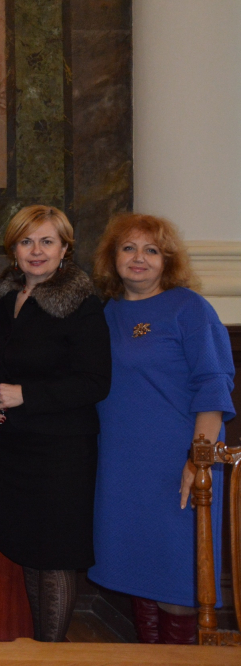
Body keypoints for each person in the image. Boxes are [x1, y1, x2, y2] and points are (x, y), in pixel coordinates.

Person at [88, 213, 235, 645]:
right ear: (112, 257)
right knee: (137, 573)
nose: (139, 258)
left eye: (151, 250)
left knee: (178, 580)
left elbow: (213, 387)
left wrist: (198, 460)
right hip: (121, 465)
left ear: (167, 261)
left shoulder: (189, 308)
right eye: (128, 248)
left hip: (179, 463)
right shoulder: (108, 312)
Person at [0, 206, 111, 642]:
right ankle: (40, 647)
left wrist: (25, 395)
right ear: (13, 249)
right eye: (26, 241)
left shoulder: (82, 302)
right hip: (14, 447)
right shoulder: (1, 298)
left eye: (46, 241)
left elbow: (96, 382)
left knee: (55, 554)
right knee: (29, 550)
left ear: (65, 249)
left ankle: (53, 653)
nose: (36, 251)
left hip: (62, 451)